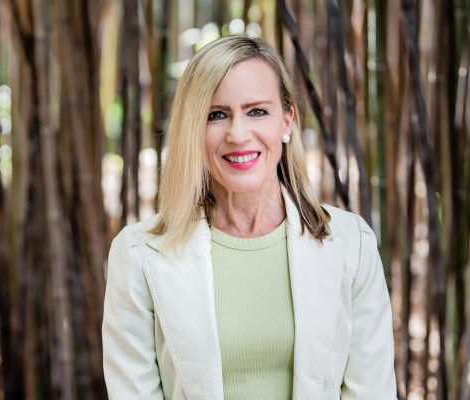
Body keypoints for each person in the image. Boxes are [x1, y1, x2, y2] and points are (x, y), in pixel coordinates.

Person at [102, 35, 396, 399]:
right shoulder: (138, 255)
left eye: (257, 111)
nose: (238, 134)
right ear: (192, 128)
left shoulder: (352, 244)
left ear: (287, 121)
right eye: (216, 115)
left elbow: (371, 390)